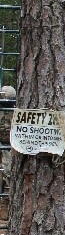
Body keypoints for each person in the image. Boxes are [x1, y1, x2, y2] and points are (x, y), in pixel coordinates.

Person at [0, 85, 14, 220]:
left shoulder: (14, 111)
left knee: (8, 169)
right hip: (2, 143)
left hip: (10, 145)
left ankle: (8, 200)